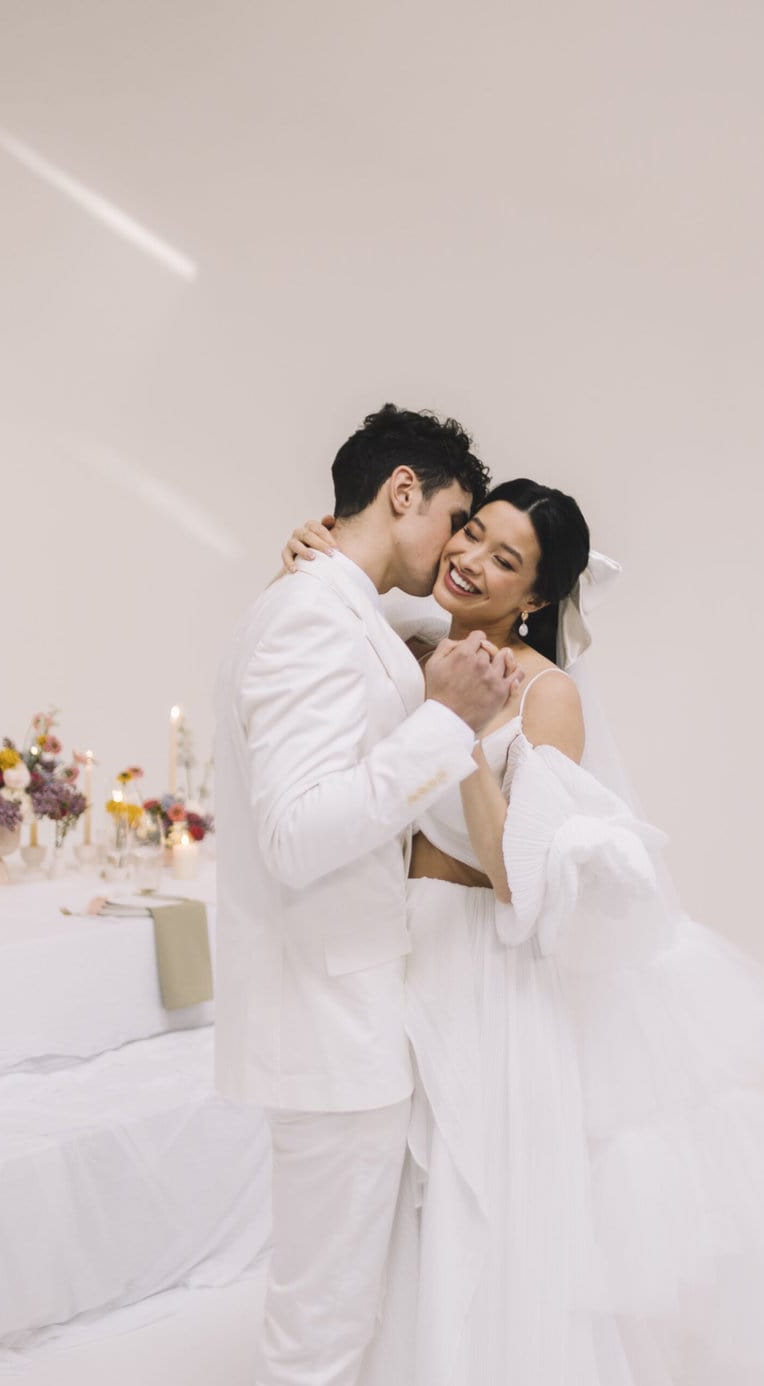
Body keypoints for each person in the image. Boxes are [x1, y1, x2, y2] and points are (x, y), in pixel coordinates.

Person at [282, 481, 764, 1385]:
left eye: (506, 561)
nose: (470, 561)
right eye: (473, 534)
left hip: (479, 963)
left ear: (535, 599)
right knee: (385, 1189)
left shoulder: (545, 696)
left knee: (469, 1192)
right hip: (393, 944)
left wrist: (458, 732)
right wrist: (311, 549)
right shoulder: (406, 645)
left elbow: (516, 876)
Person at [213, 404, 525, 1386]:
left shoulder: (337, 605)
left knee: (349, 1313)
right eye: (457, 519)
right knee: (322, 1330)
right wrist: (444, 725)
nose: (455, 550)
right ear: (403, 493)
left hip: (355, 1020)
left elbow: (434, 632)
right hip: (329, 1025)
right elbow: (299, 835)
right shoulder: (311, 614)